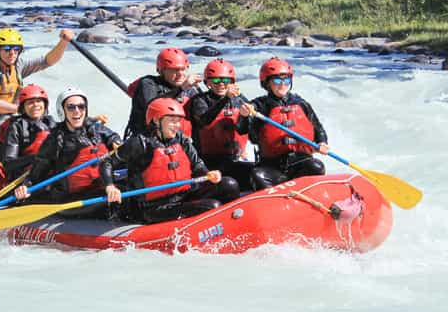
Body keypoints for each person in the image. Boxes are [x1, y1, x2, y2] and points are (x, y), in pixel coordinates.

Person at [117, 98, 240, 224]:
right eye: (172, 121)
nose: (177, 125)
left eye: (178, 121)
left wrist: (207, 174)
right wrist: (111, 187)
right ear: (156, 120)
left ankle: (236, 222)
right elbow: (107, 163)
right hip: (155, 207)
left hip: (184, 195)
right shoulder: (139, 143)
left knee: (229, 185)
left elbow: (197, 164)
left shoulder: (180, 138)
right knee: (213, 206)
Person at [0, 27, 74, 160]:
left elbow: (48, 61)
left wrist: (63, 42)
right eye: (7, 49)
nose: (12, 53)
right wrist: (21, 109)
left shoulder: (18, 66)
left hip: (13, 121)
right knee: (20, 148)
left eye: (16, 49)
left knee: (47, 134)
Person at [14, 88, 122, 218]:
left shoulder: (95, 128)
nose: (77, 111)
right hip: (70, 199)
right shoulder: (55, 139)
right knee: (109, 200)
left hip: (97, 188)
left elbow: (112, 137)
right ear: (62, 111)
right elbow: (38, 171)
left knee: (127, 188)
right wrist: (25, 187)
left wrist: (116, 141)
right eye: (71, 107)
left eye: (81, 106)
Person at [240, 58, 330, 190]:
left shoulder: (301, 103)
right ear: (267, 83)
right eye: (277, 80)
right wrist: (243, 115)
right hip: (272, 166)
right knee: (257, 175)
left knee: (317, 166)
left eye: (286, 80)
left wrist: (322, 142)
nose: (282, 84)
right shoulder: (259, 105)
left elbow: (317, 128)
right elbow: (242, 130)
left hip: (300, 161)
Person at [188, 59, 253, 190]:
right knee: (229, 185)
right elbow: (204, 121)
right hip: (208, 162)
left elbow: (243, 130)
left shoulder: (239, 100)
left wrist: (245, 117)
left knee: (254, 174)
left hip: (233, 158)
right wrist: (226, 98)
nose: (221, 84)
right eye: (216, 80)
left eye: (226, 81)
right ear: (208, 83)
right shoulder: (199, 100)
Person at [124, 47, 202, 138]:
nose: (181, 74)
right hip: (147, 140)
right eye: (175, 70)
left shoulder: (189, 89)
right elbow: (153, 107)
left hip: (178, 141)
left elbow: (203, 116)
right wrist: (182, 88)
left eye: (183, 69)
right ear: (161, 71)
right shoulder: (148, 83)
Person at [0, 83, 57, 182]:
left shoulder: (50, 122)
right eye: (30, 102)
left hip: (49, 173)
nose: (36, 105)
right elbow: (8, 164)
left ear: (45, 104)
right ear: (23, 107)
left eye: (39, 101)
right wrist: (36, 158)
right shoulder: (16, 127)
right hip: (26, 177)